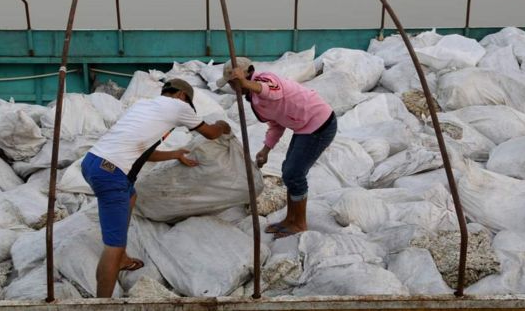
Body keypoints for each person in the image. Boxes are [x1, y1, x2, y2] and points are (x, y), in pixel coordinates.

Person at [81, 78, 231, 297]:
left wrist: (175, 153)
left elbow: (142, 151)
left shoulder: (144, 106)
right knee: (112, 245)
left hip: (92, 162)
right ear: (182, 96)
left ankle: (121, 258)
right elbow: (210, 132)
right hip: (111, 174)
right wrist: (222, 126)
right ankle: (101, 302)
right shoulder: (179, 106)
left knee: (130, 196)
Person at [216, 58, 336, 239]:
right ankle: (290, 219)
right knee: (288, 172)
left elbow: (273, 92)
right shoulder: (254, 99)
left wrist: (245, 82)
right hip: (303, 127)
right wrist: (266, 150)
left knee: (294, 174)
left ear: (246, 74)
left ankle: (300, 223)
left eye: (233, 83)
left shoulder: (266, 80)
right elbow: (276, 124)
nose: (233, 88)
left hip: (320, 123)